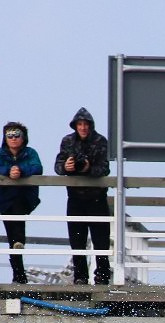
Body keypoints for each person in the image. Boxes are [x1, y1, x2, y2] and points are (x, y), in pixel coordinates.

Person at [53, 108, 111, 285]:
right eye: (80, 124)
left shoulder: (101, 141)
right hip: (75, 197)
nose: (83, 127)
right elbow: (57, 165)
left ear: (91, 126)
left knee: (101, 240)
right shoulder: (67, 141)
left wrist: (88, 168)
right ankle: (80, 277)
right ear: (75, 126)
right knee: (77, 240)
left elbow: (105, 168)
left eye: (86, 124)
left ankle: (102, 275)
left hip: (97, 197)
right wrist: (67, 168)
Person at [0, 121, 43, 284]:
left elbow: (37, 168)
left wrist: (20, 171)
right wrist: (8, 171)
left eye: (16, 135)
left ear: (23, 137)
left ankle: (19, 272)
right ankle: (19, 274)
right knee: (12, 236)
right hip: (6, 200)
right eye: (9, 135)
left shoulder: (30, 153)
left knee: (16, 229)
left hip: (25, 197)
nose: (13, 139)